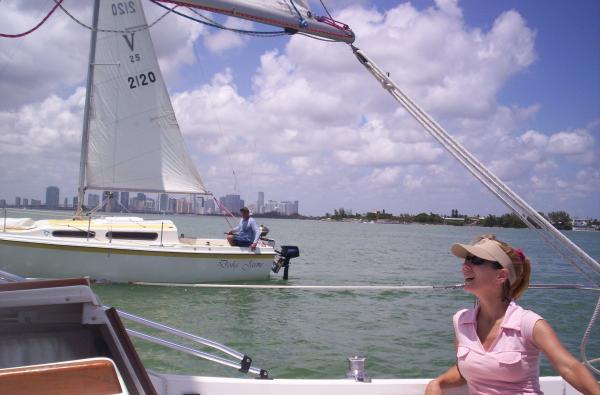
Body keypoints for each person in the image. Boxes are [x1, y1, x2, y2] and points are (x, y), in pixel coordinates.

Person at [425, 234, 600, 395]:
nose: (465, 266)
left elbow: (569, 367)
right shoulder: (461, 320)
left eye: (476, 260)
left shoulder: (529, 323)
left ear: (501, 276)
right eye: (466, 260)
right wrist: (438, 382)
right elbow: (466, 370)